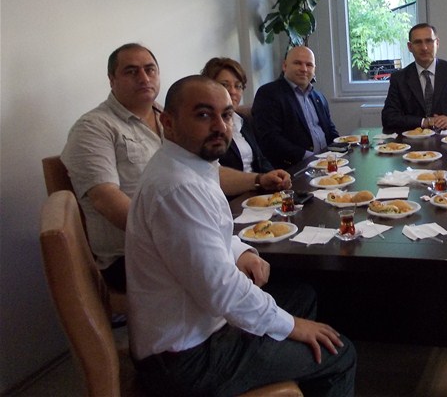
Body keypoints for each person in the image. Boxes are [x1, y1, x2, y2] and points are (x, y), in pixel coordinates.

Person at [126, 76, 356, 396]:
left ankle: (291, 374)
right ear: (168, 122)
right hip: (185, 355)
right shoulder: (178, 188)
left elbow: (208, 234)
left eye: (226, 115)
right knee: (340, 353)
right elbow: (222, 291)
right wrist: (294, 326)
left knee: (302, 295)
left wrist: (240, 252)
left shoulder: (188, 165)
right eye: (203, 115)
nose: (220, 126)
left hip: (197, 327)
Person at [62, 44, 290, 292]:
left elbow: (210, 172)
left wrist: (258, 179)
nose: (144, 78)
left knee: (285, 267)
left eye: (150, 69)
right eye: (131, 71)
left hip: (194, 236)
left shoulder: (169, 115)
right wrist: (214, 246)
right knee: (287, 283)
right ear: (111, 79)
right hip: (136, 258)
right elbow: (105, 199)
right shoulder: (93, 128)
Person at [381, 23, 447, 132]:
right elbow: (388, 117)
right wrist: (424, 122)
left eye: (429, 41)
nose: (424, 48)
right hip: (414, 140)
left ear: (437, 43)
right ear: (410, 47)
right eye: (418, 42)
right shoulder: (399, 78)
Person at [252, 46, 339, 169]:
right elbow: (270, 138)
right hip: (294, 168)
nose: (304, 69)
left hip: (326, 164)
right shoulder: (269, 93)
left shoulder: (319, 96)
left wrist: (342, 148)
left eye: (309, 65)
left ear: (314, 70)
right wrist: (310, 158)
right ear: (284, 66)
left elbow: (330, 129)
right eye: (297, 63)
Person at [200, 57, 273, 177]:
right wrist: (258, 180)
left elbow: (261, 159)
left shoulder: (242, 120)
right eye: (225, 85)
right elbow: (212, 173)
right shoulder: (205, 127)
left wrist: (275, 177)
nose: (233, 91)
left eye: (238, 86)